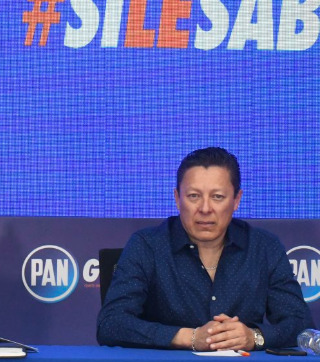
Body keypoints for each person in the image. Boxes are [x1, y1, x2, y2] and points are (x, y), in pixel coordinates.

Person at [97, 147, 313, 351]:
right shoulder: (147, 245)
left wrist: (254, 337)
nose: (205, 208)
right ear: (177, 199)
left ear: (236, 200)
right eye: (194, 196)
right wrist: (190, 337)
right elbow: (111, 324)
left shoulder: (264, 247)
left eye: (217, 197)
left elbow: (301, 324)